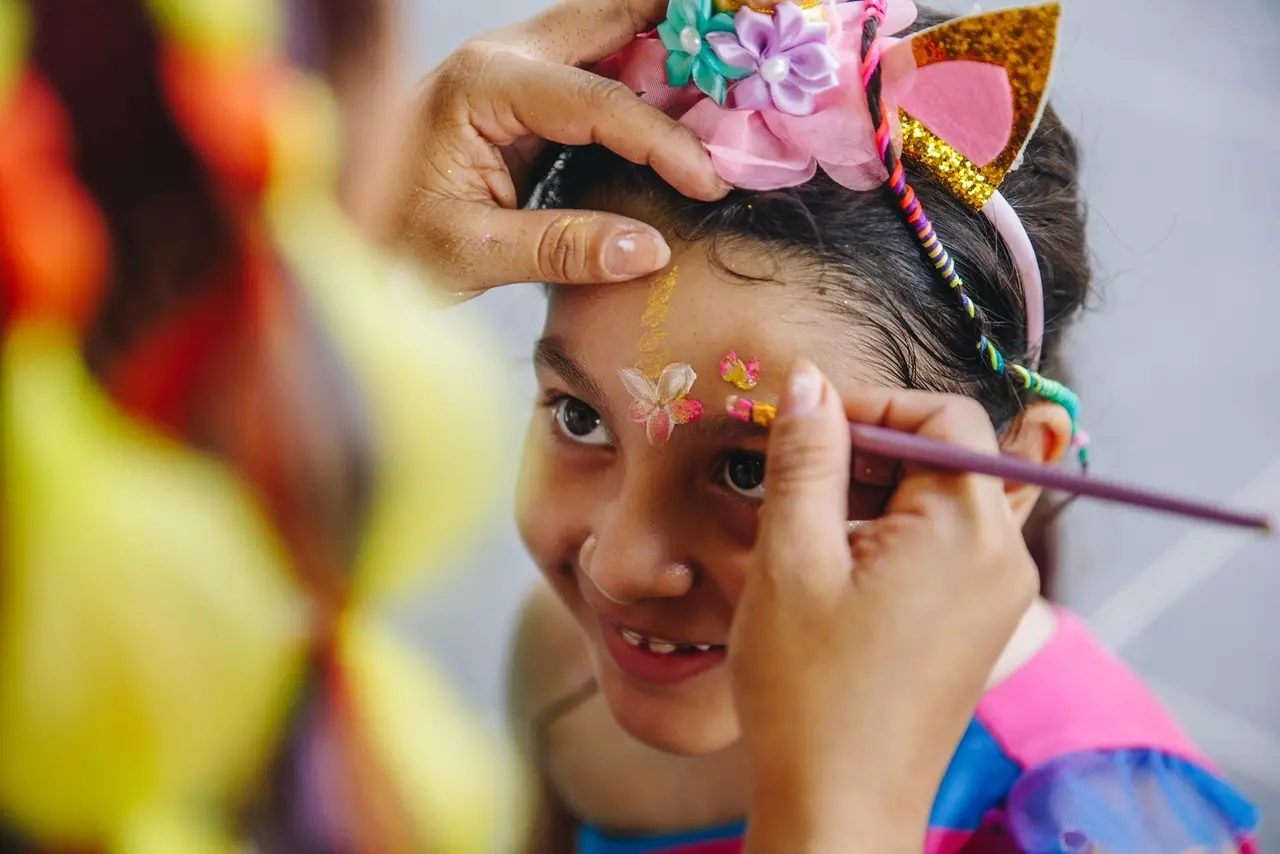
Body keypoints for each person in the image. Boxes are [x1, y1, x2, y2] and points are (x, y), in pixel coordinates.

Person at [476, 0, 1261, 852]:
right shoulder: (572, 654)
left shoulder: (1096, 824)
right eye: (582, 416)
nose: (620, 567)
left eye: (755, 470)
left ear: (1008, 478)